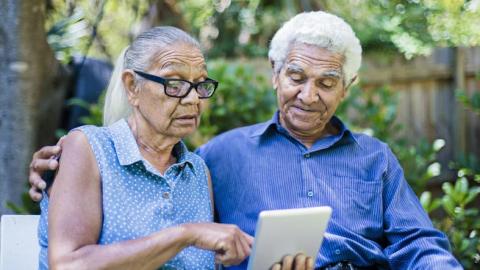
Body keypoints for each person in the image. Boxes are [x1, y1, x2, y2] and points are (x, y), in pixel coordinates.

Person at [29, 12, 462, 270]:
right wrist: (57, 171)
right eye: (296, 76)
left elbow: (419, 244)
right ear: (275, 75)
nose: (309, 95)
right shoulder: (216, 157)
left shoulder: (196, 168)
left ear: (346, 87)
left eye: (327, 82)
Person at [34, 26, 256, 270]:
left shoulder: (197, 171)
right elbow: (69, 264)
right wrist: (185, 234)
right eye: (174, 83)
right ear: (132, 87)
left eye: (200, 85)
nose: (193, 99)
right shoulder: (90, 148)